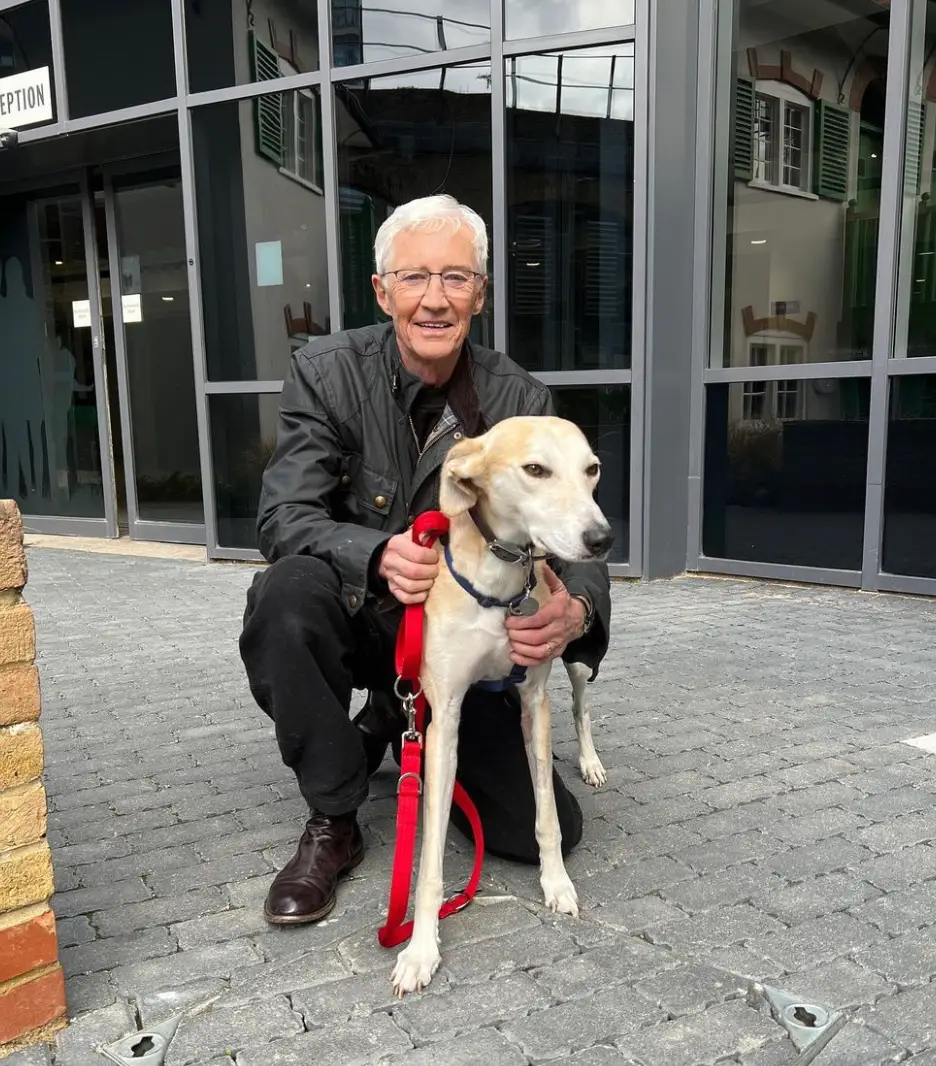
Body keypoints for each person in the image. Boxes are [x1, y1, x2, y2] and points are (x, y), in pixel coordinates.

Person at [239, 194, 611, 926]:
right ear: (383, 291)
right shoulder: (326, 371)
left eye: (456, 277)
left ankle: (393, 717)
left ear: (480, 291)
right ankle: (335, 814)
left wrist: (578, 608)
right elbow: (283, 515)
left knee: (549, 831)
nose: (434, 299)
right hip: (362, 617)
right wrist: (375, 553)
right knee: (285, 594)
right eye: (414, 278)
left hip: (468, 639)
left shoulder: (519, 396)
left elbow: (570, 525)